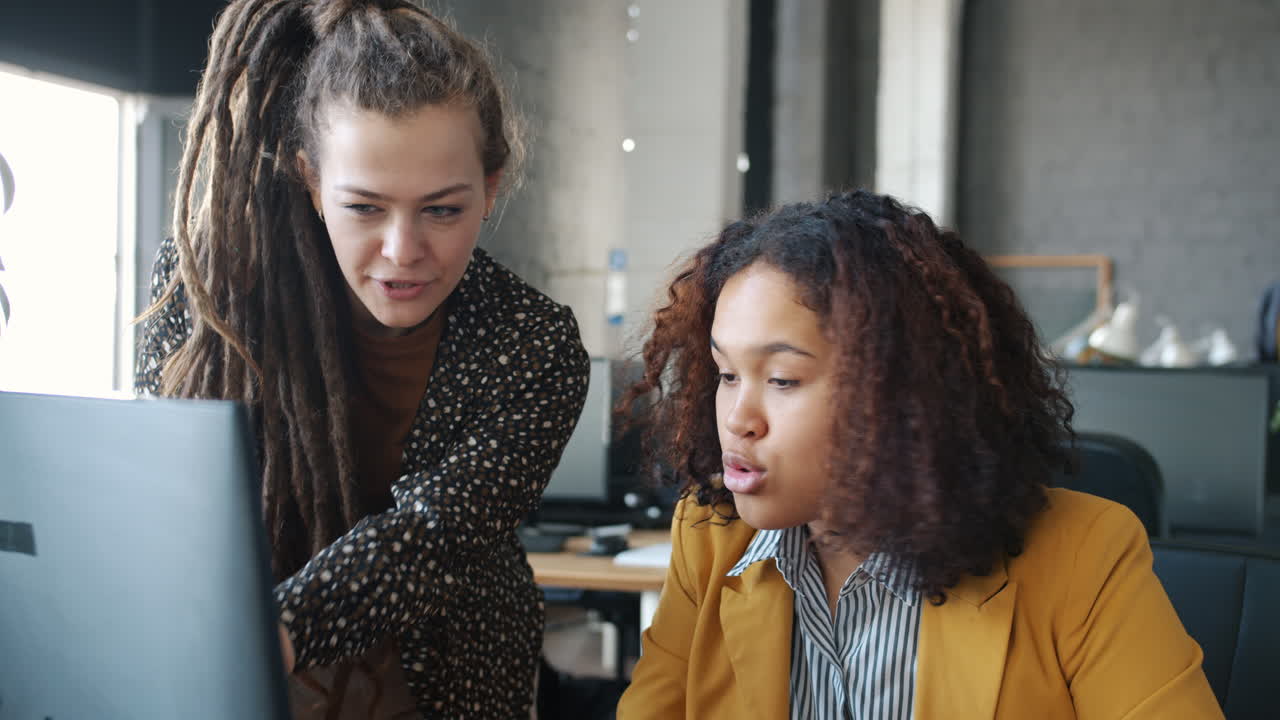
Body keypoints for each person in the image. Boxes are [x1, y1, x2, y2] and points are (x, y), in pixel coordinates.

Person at [134, 0, 589, 717]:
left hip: (453, 692)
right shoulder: (213, 296)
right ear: (312, 183)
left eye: (442, 209)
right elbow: (162, 496)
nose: (403, 252)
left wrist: (262, 633)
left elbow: (433, 538)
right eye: (365, 208)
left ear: (490, 189)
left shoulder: (532, 347)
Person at [615, 190, 1223, 719]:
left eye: (782, 380)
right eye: (725, 374)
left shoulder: (1084, 556)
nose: (737, 420)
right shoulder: (710, 540)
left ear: (903, 390)